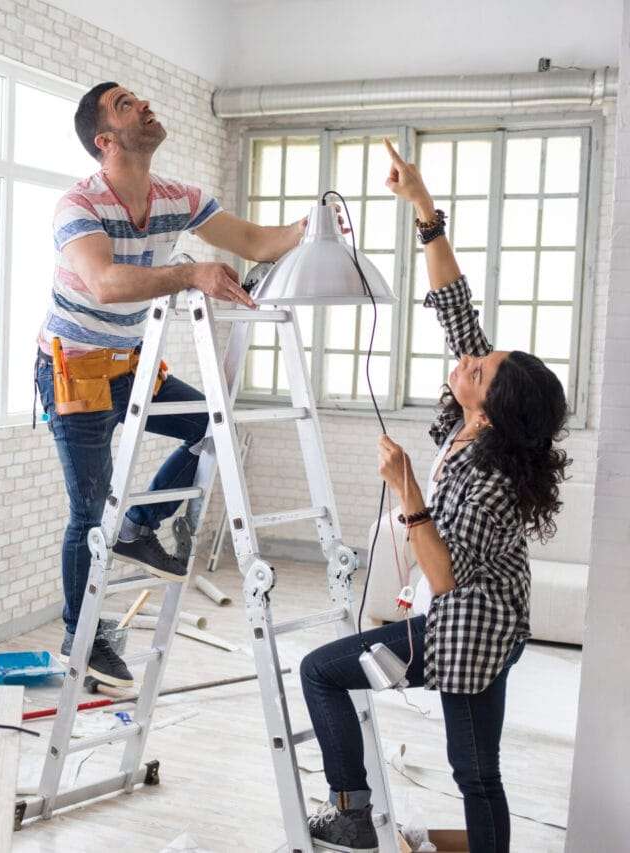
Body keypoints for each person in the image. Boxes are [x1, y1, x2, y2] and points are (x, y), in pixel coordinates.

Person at [301, 138, 571, 853]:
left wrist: (407, 488)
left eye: (478, 366)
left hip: (470, 630)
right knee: (473, 769)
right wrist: (423, 208)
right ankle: (373, 815)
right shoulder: (473, 418)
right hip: (472, 620)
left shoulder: (487, 474)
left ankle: (354, 814)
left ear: (490, 404)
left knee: (333, 680)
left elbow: (447, 576)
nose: (467, 358)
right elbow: (456, 308)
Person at [35, 81, 320, 688]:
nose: (144, 104)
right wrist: (191, 273)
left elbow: (259, 243)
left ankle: (143, 527)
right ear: (105, 140)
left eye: (141, 97)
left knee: (213, 432)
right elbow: (105, 284)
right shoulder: (78, 206)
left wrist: (314, 227)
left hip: (131, 365)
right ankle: (79, 638)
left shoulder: (176, 198)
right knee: (90, 509)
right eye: (126, 104)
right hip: (75, 370)